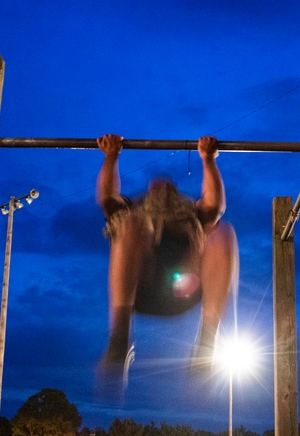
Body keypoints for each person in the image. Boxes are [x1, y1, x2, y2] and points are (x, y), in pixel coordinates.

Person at [95, 133, 238, 376]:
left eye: (168, 187)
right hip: (141, 284)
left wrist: (208, 160)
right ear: (145, 195)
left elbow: (215, 205)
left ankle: (207, 340)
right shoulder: (134, 211)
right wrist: (111, 156)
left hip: (185, 285)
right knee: (130, 223)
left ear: (179, 197)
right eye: (155, 187)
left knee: (221, 232)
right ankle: (120, 336)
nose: (161, 188)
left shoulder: (192, 214)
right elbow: (107, 198)